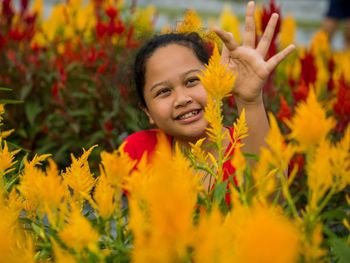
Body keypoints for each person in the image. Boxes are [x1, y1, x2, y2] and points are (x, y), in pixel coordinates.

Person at [123, 1, 295, 191]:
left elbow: (272, 198)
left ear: (214, 78)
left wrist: (250, 101)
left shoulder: (257, 141)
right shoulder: (138, 152)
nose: (182, 99)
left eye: (191, 81)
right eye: (163, 91)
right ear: (147, 111)